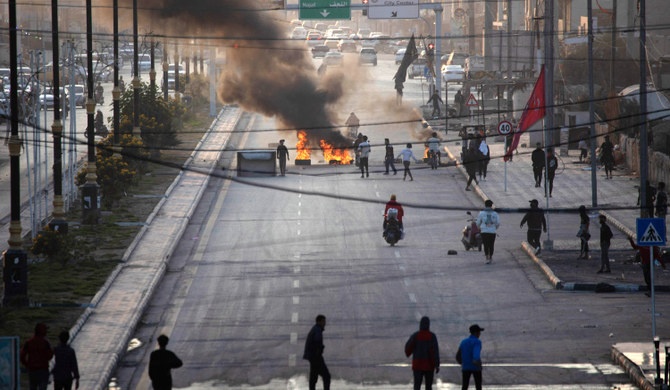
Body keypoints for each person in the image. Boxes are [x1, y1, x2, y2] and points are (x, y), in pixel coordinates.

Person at [405, 316, 440, 390]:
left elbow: (408, 348)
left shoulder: (416, 335)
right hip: (429, 365)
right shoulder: (432, 336)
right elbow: (435, 352)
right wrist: (437, 365)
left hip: (417, 365)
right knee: (428, 386)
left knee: (417, 386)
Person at [20, 323, 53, 390]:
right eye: (45, 330)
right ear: (42, 331)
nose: (46, 331)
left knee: (32, 387)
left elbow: (22, 355)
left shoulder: (29, 342)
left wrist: (27, 364)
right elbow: (50, 356)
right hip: (43, 370)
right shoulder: (45, 342)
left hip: (32, 370)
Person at [304, 314, 330, 390]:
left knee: (313, 377)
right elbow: (317, 342)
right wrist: (319, 351)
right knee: (326, 376)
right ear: (319, 321)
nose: (325, 323)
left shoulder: (315, 329)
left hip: (312, 356)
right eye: (323, 321)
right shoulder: (317, 330)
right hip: (315, 356)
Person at [458, 324, 484, 390]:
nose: (480, 334)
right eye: (479, 332)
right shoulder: (477, 342)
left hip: (466, 366)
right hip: (475, 366)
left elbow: (458, 354)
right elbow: (476, 352)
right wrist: (476, 360)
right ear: (476, 332)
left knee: (465, 386)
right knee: (478, 386)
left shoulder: (463, 342)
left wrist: (461, 363)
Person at [477, 200, 501, 264]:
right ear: (491, 205)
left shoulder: (481, 213)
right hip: (492, 232)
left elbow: (478, 222)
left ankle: (487, 256)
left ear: (485, 205)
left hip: (484, 231)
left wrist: (480, 228)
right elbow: (498, 223)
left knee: (486, 244)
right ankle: (490, 256)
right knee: (491, 244)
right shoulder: (495, 213)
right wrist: (494, 228)